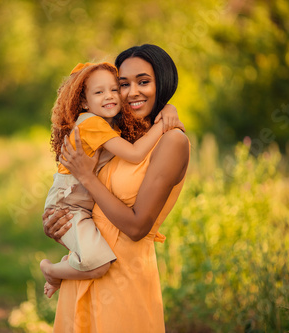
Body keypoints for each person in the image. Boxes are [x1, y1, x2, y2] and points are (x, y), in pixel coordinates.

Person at [42, 44, 190, 332]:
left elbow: (136, 228)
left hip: (124, 278)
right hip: (86, 269)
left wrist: (88, 179)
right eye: (123, 84)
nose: (131, 92)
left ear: (163, 83)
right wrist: (57, 226)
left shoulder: (172, 141)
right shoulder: (120, 133)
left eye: (144, 82)